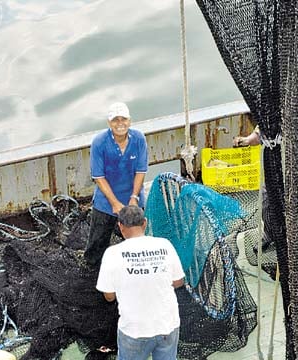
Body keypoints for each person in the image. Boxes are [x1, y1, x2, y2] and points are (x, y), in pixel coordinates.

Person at [96, 205, 185, 360]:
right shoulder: (164, 245)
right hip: (168, 325)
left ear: (121, 226)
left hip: (134, 330)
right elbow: (178, 282)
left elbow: (109, 296)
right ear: (145, 223)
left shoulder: (112, 254)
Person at [85, 102, 148, 266]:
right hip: (106, 202)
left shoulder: (139, 139)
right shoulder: (99, 142)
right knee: (97, 245)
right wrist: (114, 203)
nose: (120, 123)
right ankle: (94, 270)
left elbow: (141, 171)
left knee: (139, 243)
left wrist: (134, 198)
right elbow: (98, 176)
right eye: (115, 120)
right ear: (109, 123)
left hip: (133, 199)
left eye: (124, 119)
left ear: (130, 121)